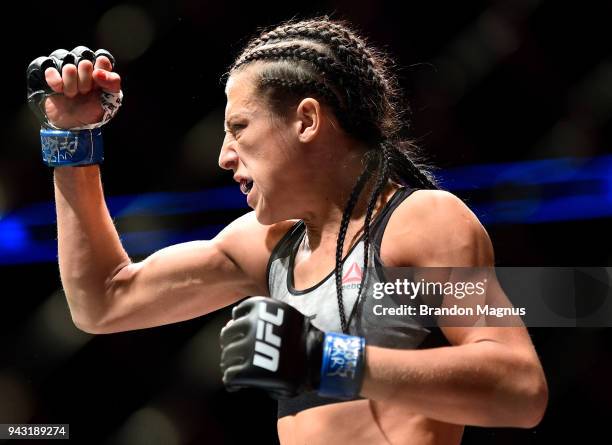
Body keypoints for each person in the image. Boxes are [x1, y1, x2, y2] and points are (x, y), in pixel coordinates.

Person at [27, 17, 547, 445]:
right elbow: (103, 301)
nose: (224, 156)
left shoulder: (421, 221)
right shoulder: (268, 244)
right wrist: (72, 140)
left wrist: (327, 360)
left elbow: (520, 389)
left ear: (306, 120)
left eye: (239, 128)